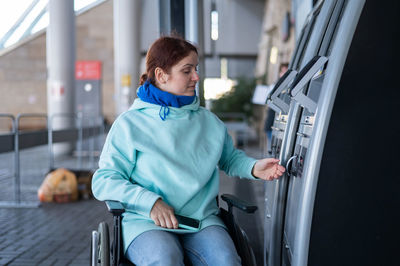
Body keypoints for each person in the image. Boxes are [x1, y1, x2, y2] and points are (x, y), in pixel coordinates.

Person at [92, 36, 285, 266]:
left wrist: (254, 167)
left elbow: (230, 159)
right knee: (164, 259)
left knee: (226, 261)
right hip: (145, 221)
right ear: (161, 75)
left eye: (196, 69)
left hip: (200, 221)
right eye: (187, 70)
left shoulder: (209, 122)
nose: (196, 76)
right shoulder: (129, 124)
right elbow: (104, 180)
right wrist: (149, 202)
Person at [264, 63, 289, 146]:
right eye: (282, 71)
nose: (284, 74)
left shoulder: (288, 87)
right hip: (272, 123)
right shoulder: (276, 86)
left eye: (286, 71)